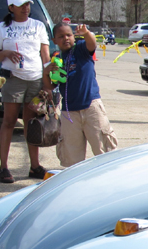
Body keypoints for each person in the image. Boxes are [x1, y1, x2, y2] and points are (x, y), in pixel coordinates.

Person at [0, 0, 50, 183]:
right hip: (14, 79)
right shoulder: (2, 28)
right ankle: (4, 168)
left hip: (34, 79)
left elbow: (45, 56)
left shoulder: (38, 25)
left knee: (31, 123)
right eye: (21, 5)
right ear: (11, 8)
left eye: (28, 4)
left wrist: (47, 83)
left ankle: (34, 166)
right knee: (8, 121)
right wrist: (6, 53)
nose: (26, 8)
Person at [43, 23, 118, 167]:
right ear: (54, 41)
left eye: (69, 35)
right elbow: (50, 86)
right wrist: (45, 73)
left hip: (91, 107)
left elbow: (92, 43)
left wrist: (86, 32)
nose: (66, 38)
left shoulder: (81, 49)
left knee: (104, 150)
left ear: (74, 36)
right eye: (61, 36)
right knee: (71, 157)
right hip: (69, 112)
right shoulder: (57, 59)